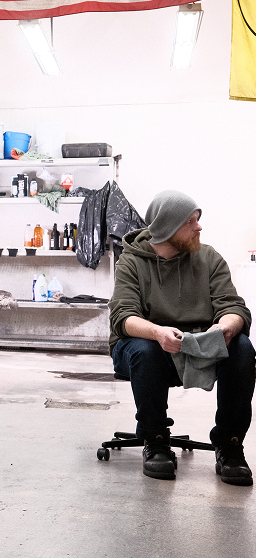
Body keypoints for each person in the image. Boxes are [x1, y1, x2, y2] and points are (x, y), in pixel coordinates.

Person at [109, 190, 255, 484]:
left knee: (241, 347)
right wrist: (157, 332)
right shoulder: (131, 262)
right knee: (143, 350)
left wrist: (226, 326)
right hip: (151, 348)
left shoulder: (209, 257)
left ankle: (230, 445)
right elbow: (123, 316)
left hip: (201, 345)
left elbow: (233, 306)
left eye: (198, 219)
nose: (199, 227)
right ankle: (156, 440)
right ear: (167, 229)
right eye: (190, 221)